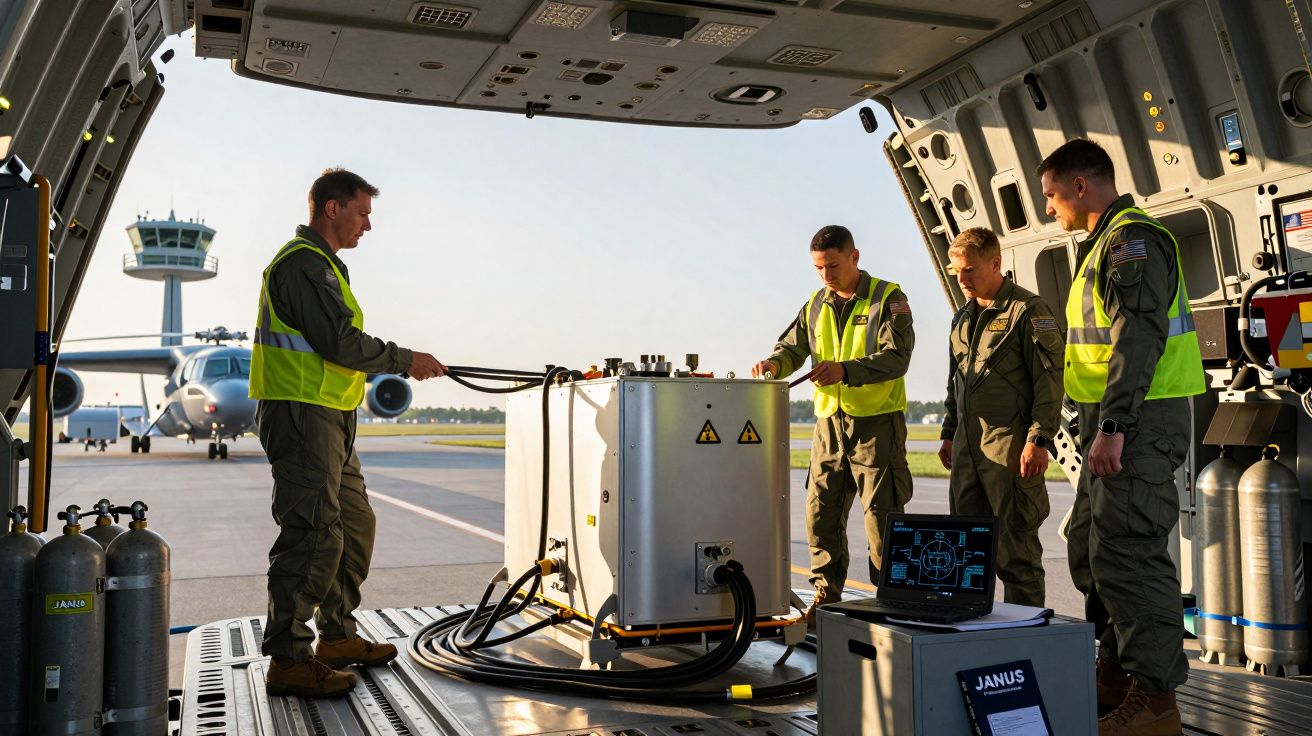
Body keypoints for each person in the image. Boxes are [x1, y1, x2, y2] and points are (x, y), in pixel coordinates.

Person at [249, 168, 447, 697]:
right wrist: (404, 360)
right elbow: (338, 342)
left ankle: (336, 637)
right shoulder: (302, 264)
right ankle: (289, 659)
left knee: (354, 525)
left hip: (331, 416)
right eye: (362, 213)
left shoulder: (326, 267)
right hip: (301, 413)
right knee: (313, 532)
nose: (368, 225)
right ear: (331, 209)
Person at [1038, 139, 1204, 735]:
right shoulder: (1102, 244)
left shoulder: (1131, 242)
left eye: (1052, 195)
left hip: (1138, 419)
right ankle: (1114, 672)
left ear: (1081, 186)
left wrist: (1113, 426)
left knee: (1130, 550)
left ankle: (1157, 702)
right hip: (1107, 417)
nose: (1049, 208)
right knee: (1091, 544)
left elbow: (1138, 336)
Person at [752, 225, 915, 624]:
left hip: (876, 425)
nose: (825, 275)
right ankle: (826, 595)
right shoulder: (815, 304)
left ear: (854, 257)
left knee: (882, 518)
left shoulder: (888, 298)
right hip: (828, 425)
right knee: (820, 514)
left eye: (832, 265)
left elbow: (898, 357)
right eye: (818, 268)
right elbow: (792, 348)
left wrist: (846, 370)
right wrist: (774, 364)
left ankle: (892, 602)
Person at [937, 227, 1063, 607]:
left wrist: (1039, 439)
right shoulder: (962, 318)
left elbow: (1049, 380)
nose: (962, 280)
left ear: (996, 263)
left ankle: (1025, 632)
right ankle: (969, 629)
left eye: (970, 270)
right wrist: (949, 432)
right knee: (965, 553)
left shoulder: (1028, 311)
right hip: (967, 450)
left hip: (1010, 447)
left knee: (1016, 553)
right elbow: (956, 381)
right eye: (957, 271)